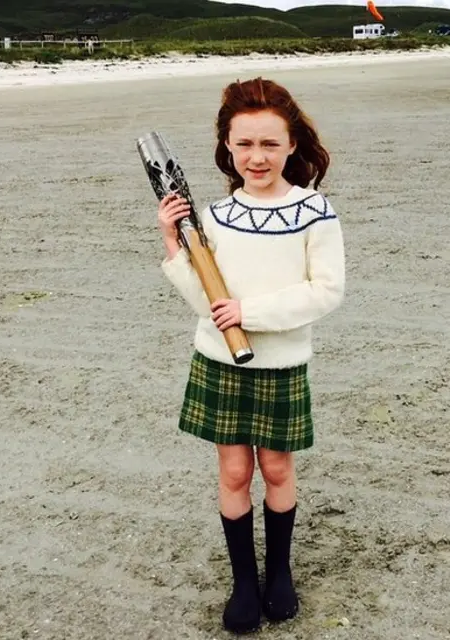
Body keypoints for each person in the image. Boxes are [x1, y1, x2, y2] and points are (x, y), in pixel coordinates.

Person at [156, 77, 345, 634]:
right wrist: (175, 247)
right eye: (244, 144)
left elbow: (326, 291)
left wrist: (250, 312)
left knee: (277, 467)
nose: (256, 157)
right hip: (218, 361)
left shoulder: (315, 211)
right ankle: (244, 581)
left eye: (268, 144)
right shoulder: (212, 216)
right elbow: (209, 301)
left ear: (291, 145)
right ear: (227, 147)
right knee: (234, 470)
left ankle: (279, 572)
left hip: (280, 364)